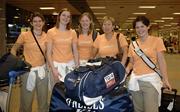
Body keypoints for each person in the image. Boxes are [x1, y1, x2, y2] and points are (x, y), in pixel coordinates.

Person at [126, 16, 172, 112]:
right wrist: (126, 69)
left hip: (151, 81)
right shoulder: (132, 45)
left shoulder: (157, 41)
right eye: (137, 27)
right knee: (138, 110)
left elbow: (162, 61)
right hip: (135, 81)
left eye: (142, 26)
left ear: (148, 27)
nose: (140, 29)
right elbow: (131, 62)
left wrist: (165, 79)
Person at [11, 12, 48, 112]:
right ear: (31, 23)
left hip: (42, 72)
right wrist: (16, 63)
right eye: (35, 21)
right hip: (28, 72)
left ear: (43, 22)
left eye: (40, 21)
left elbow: (49, 54)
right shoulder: (24, 35)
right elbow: (13, 49)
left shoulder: (47, 36)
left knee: (43, 100)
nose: (38, 23)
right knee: (26, 101)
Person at [46, 8, 79, 83]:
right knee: (57, 91)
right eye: (64, 15)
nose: (66, 18)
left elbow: (75, 51)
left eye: (68, 16)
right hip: (56, 66)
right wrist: (53, 69)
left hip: (70, 66)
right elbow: (48, 53)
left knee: (69, 91)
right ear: (59, 17)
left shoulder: (73, 32)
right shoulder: (51, 32)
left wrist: (77, 67)